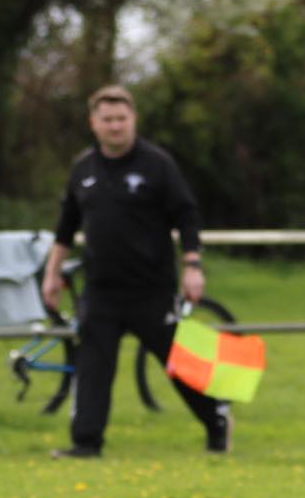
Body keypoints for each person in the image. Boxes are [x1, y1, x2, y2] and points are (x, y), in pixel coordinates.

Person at [40, 85, 230, 458]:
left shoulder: (157, 164)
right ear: (93, 123)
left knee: (179, 363)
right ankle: (86, 442)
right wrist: (52, 274)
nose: (115, 127)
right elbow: (65, 227)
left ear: (134, 120)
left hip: (151, 287)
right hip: (101, 289)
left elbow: (187, 215)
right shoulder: (83, 169)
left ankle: (216, 418)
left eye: (121, 119)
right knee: (93, 366)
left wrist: (192, 265)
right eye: (107, 120)